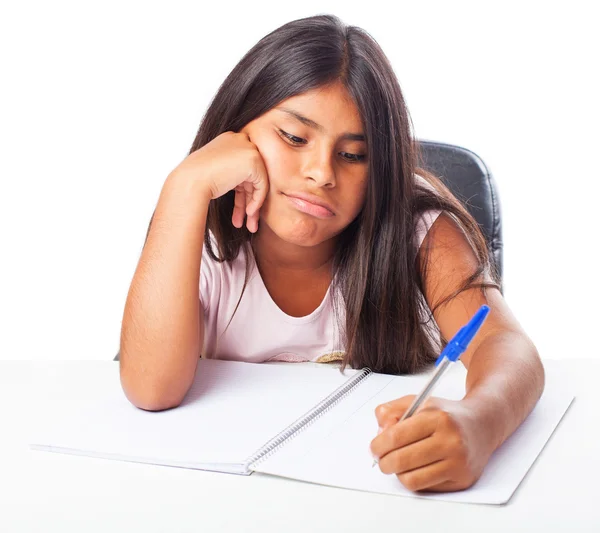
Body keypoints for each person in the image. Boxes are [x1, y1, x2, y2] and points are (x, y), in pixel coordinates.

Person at [118, 14, 545, 493]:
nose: (321, 173)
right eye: (295, 138)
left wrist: (479, 422)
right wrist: (184, 185)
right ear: (235, 131)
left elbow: (507, 347)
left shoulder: (417, 229)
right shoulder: (199, 228)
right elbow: (150, 390)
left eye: (354, 155)